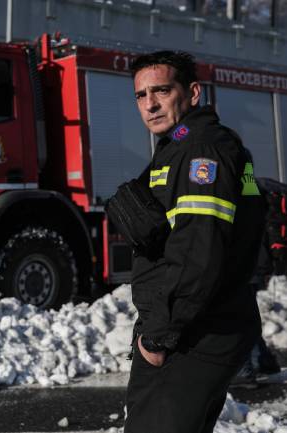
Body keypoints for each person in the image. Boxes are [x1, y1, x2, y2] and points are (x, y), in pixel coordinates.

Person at [122, 51, 266, 433]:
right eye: (140, 95)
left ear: (193, 93)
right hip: (195, 324)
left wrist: (158, 337)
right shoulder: (183, 145)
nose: (150, 104)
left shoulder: (203, 151)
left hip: (194, 331)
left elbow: (197, 252)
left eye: (162, 91)